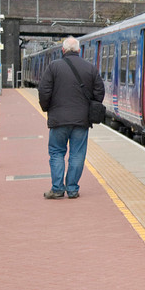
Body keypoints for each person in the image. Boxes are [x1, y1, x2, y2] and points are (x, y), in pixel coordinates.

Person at [38, 36, 105, 199]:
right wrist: (89, 108)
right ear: (79, 51)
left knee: (57, 152)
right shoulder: (90, 68)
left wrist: (47, 108)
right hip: (81, 120)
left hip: (58, 119)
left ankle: (57, 189)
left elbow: (44, 91)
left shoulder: (54, 67)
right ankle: (73, 189)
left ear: (63, 50)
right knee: (77, 154)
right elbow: (99, 92)